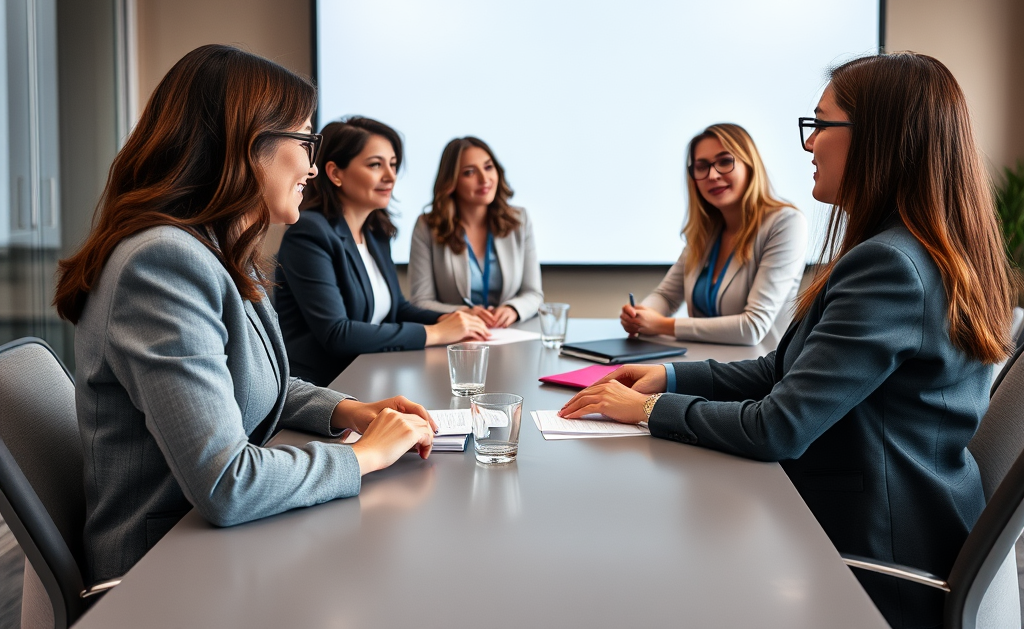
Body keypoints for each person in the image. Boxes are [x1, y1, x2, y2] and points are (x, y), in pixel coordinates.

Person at [559, 53, 1016, 629]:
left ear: (878, 138)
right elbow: (782, 369)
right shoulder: (907, 249)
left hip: (875, 556)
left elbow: (779, 427)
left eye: (821, 124)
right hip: (891, 515)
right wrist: (670, 376)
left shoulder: (891, 266)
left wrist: (649, 410)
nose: (809, 144)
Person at [55, 45, 439, 584]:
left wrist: (350, 411)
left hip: (219, 548)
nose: (311, 166)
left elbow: (255, 382)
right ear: (246, 142)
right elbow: (226, 484)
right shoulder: (163, 264)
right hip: (162, 575)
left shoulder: (221, 249)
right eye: (305, 141)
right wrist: (364, 457)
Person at [275, 118, 488, 385]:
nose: (390, 176)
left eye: (393, 164)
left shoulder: (375, 231)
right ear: (335, 173)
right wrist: (435, 333)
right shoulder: (308, 233)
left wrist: (453, 317)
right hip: (324, 388)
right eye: (375, 164)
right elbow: (337, 334)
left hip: (371, 376)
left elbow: (397, 308)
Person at [620, 123, 807, 347]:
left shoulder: (786, 223)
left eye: (725, 161)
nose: (712, 175)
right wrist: (640, 315)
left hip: (761, 373)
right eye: (702, 166)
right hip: (702, 366)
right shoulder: (706, 231)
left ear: (750, 165)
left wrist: (661, 325)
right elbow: (666, 296)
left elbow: (752, 327)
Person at [409, 136, 543, 327]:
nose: (484, 179)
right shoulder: (427, 227)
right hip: (456, 340)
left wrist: (513, 309)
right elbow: (420, 302)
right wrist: (464, 313)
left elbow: (534, 294)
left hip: (509, 335)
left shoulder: (519, 220)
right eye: (469, 172)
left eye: (488, 167)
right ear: (451, 182)